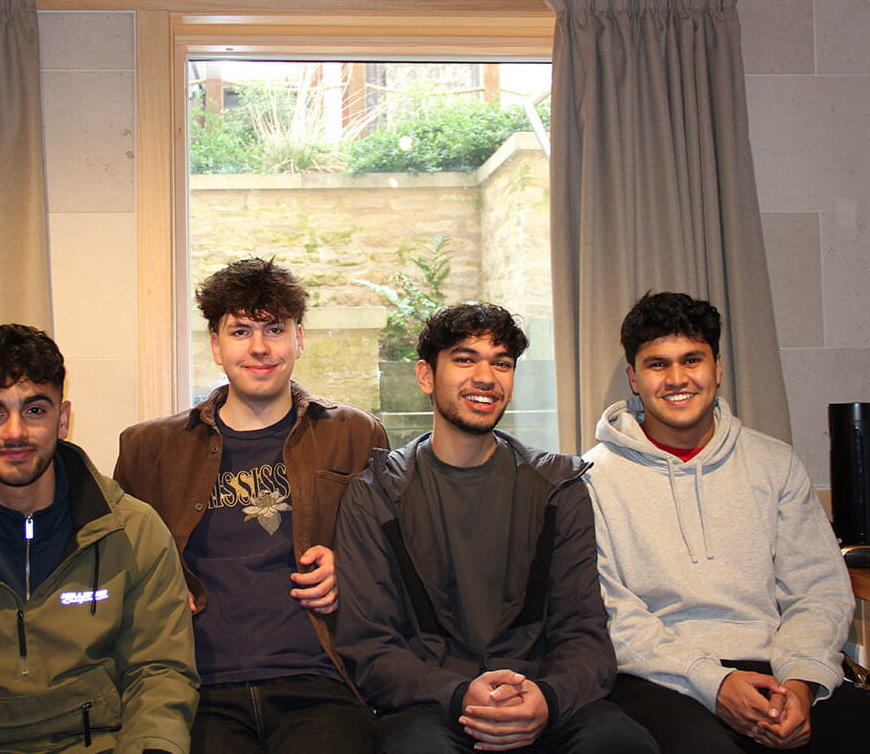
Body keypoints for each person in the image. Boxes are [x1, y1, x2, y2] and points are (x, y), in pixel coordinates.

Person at [335, 302, 659, 753]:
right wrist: (456, 694)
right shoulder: (375, 495)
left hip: (543, 698)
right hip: (432, 707)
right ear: (426, 376)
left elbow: (583, 631)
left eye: (501, 363)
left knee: (620, 742)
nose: (486, 377)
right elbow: (370, 646)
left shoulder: (558, 488)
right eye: (465, 359)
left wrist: (547, 698)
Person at [0, 324, 198, 754]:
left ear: (62, 419)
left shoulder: (133, 531)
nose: (15, 433)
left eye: (34, 411)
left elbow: (161, 674)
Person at [114, 257, 387, 754]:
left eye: (274, 329)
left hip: (320, 682)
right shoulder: (149, 449)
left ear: (298, 340)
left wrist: (352, 569)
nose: (259, 347)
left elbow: (398, 556)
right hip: (200, 688)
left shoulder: (354, 434)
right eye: (240, 331)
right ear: (216, 346)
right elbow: (120, 574)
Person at [584, 291, 869, 753]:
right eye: (658, 365)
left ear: (717, 368)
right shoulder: (593, 478)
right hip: (661, 679)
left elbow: (819, 590)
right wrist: (713, 683)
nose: (677, 379)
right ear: (634, 379)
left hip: (775, 668)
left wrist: (801, 682)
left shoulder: (775, 463)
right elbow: (612, 613)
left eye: (692, 360)